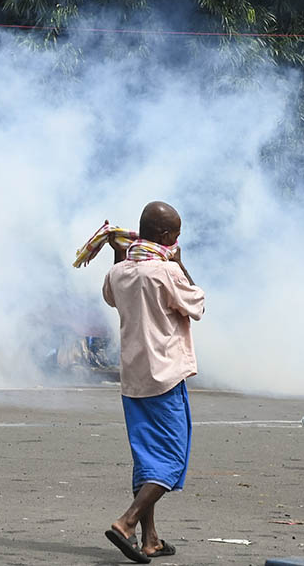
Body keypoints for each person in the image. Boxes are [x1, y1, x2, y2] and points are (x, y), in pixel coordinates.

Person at [101, 201, 205, 564]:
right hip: (164, 375)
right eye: (175, 234)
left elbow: (111, 297)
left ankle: (151, 539)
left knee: (146, 458)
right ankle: (126, 523)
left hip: (133, 378)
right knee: (172, 460)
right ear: (164, 237)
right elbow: (197, 304)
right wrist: (178, 263)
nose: (177, 239)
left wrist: (118, 256)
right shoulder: (164, 271)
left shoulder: (119, 272)